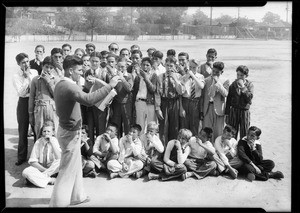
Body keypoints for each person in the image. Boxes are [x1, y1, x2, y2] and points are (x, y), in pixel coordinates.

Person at [49, 55, 120, 207]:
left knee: (74, 167)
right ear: (69, 70)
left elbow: (78, 95)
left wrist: (87, 87)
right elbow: (88, 100)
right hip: (70, 133)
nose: (82, 73)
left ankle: (77, 196)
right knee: (67, 170)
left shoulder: (61, 82)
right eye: (79, 70)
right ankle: (57, 204)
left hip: (67, 130)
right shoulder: (70, 86)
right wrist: (110, 85)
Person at [13, 53, 38, 166]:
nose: (26, 64)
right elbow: (21, 92)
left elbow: (36, 87)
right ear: (18, 64)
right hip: (23, 103)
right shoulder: (16, 76)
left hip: (35, 102)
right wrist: (27, 79)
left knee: (37, 129)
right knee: (23, 130)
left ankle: (38, 156)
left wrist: (29, 76)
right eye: (23, 62)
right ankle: (21, 157)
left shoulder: (35, 72)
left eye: (27, 61)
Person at [155, 56, 185, 147]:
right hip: (164, 102)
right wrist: (158, 108)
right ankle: (163, 149)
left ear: (175, 66)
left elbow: (181, 92)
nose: (169, 68)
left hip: (174, 102)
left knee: (174, 127)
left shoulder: (179, 76)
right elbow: (157, 93)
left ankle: (173, 149)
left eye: (171, 66)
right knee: (163, 127)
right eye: (167, 65)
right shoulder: (160, 76)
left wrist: (175, 79)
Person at [22, 121, 61, 187]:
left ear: (53, 133)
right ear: (42, 132)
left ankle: (38, 179)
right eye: (44, 131)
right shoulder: (38, 142)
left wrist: (52, 143)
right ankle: (49, 180)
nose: (46, 133)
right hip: (41, 168)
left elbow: (59, 158)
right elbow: (32, 162)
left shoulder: (55, 141)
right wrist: (45, 170)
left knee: (61, 161)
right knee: (25, 172)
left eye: (48, 131)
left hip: (53, 168)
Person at [29, 56, 59, 140]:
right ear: (42, 66)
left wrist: (48, 81)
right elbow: (31, 97)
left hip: (52, 108)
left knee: (54, 132)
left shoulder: (55, 79)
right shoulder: (35, 79)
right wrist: (30, 114)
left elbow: (56, 95)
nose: (48, 70)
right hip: (39, 108)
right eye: (46, 67)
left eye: (51, 68)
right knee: (39, 132)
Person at [201, 61, 230, 143]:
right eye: (213, 71)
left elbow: (225, 94)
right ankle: (206, 150)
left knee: (218, 132)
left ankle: (217, 149)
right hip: (207, 108)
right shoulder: (206, 80)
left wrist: (218, 83)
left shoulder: (225, 80)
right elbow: (203, 97)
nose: (215, 73)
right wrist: (201, 111)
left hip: (219, 110)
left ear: (222, 72)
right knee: (206, 131)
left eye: (217, 72)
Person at [178, 54, 205, 136]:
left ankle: (194, 143)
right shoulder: (184, 77)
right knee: (184, 124)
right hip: (185, 101)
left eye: (194, 67)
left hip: (195, 102)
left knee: (194, 124)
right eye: (190, 67)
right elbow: (181, 90)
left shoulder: (200, 77)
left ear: (198, 68)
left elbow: (201, 86)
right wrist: (188, 75)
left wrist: (193, 76)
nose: (192, 69)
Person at [225, 65, 254, 140]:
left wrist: (243, 87)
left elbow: (249, 99)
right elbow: (228, 100)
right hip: (234, 111)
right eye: (238, 75)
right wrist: (227, 114)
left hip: (245, 111)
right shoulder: (233, 85)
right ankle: (232, 149)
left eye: (241, 75)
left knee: (244, 132)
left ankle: (243, 149)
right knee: (232, 132)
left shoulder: (249, 85)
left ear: (246, 76)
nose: (239, 77)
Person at [133, 57, 158, 134]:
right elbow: (134, 91)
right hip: (140, 102)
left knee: (151, 126)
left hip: (150, 103)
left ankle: (150, 143)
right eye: (143, 65)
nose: (145, 67)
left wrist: (146, 78)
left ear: (151, 66)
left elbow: (153, 89)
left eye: (147, 65)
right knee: (140, 125)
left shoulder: (153, 75)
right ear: (141, 65)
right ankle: (140, 144)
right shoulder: (137, 76)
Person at [110, 58, 133, 137]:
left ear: (126, 66)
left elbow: (129, 88)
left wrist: (122, 78)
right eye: (119, 66)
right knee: (116, 125)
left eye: (122, 67)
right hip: (116, 103)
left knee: (127, 125)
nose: (120, 68)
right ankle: (116, 144)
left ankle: (127, 144)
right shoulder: (113, 76)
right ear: (116, 66)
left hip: (126, 104)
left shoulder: (129, 76)